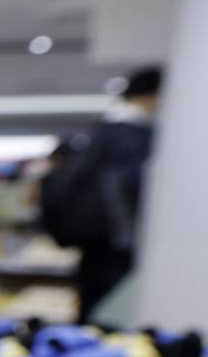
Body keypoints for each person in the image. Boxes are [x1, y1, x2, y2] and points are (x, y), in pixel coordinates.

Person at [41, 67, 162, 319]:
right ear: (152, 95)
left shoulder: (100, 132)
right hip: (117, 245)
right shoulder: (133, 137)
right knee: (111, 315)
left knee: (94, 309)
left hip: (95, 242)